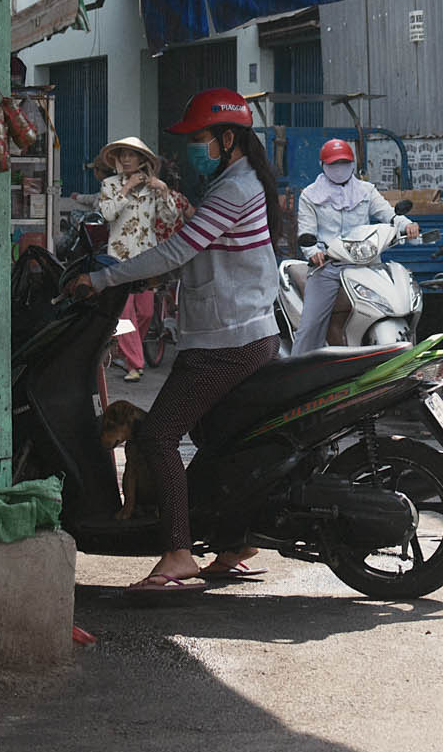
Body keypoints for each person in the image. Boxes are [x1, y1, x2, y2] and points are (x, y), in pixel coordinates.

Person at [66, 89, 282, 592]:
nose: (193, 147)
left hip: (227, 341)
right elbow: (197, 255)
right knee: (216, 437)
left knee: (158, 436)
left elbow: (178, 250)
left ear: (227, 138)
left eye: (200, 138)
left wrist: (100, 280)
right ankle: (234, 542)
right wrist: (140, 275)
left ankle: (179, 552)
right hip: (236, 330)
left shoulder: (234, 189)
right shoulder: (233, 181)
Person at [290, 138, 418, 354]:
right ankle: (297, 369)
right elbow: (306, 230)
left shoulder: (366, 190)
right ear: (323, 165)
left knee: (400, 302)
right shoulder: (310, 196)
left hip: (367, 262)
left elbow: (388, 214)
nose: (339, 168)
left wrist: (407, 225)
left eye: (344, 162)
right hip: (329, 266)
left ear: (352, 164)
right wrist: (313, 252)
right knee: (311, 324)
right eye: (333, 164)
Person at [94, 136, 184, 382]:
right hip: (119, 259)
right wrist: (125, 189)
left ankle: (127, 353)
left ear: (142, 159)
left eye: (131, 155)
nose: (126, 159)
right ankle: (135, 363)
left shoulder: (153, 188)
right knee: (124, 313)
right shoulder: (110, 185)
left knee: (144, 312)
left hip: (146, 258)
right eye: (122, 155)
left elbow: (169, 218)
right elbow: (107, 214)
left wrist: (163, 191)